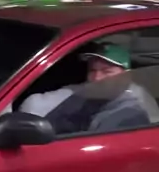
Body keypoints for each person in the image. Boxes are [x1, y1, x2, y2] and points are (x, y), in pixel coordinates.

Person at [20, 43, 154, 134]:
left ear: (126, 76)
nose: (97, 78)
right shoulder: (90, 96)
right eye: (92, 70)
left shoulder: (130, 114)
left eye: (107, 71)